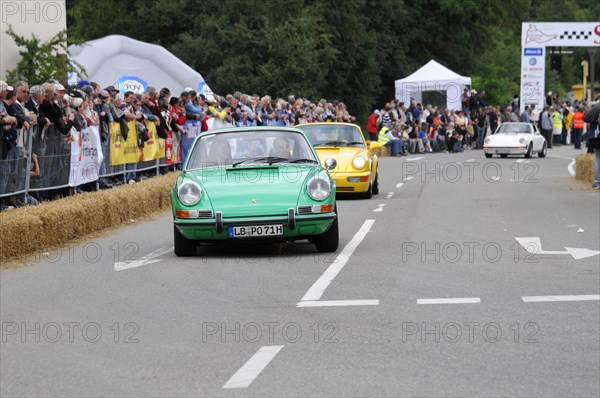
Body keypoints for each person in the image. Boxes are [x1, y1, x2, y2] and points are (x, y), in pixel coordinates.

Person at [583, 99, 600, 189]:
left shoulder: (596, 107)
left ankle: (598, 182)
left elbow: (585, 118)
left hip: (597, 137)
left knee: (598, 159)